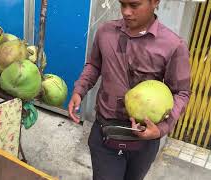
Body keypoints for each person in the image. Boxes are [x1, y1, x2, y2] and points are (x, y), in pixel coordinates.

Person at [68, 0, 191, 180]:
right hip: (105, 131)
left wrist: (162, 128)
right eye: (122, 4)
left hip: (144, 140)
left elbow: (181, 92)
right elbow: (94, 65)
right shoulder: (105, 32)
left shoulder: (173, 45)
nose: (126, 12)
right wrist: (79, 90)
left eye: (134, 5)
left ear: (155, 2)